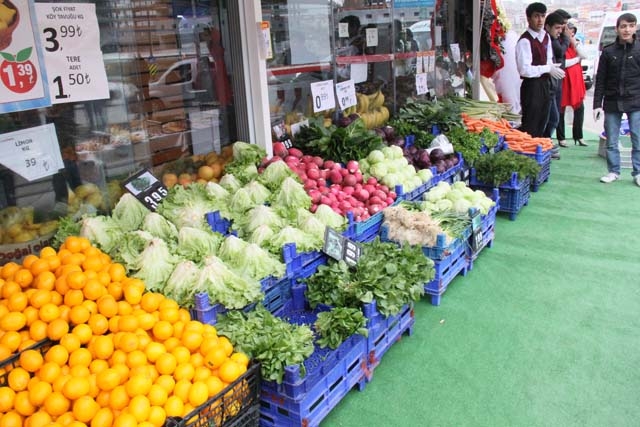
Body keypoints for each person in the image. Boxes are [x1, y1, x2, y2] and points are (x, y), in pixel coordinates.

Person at [593, 12, 640, 185]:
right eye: (623, 26)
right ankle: (613, 171)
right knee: (612, 139)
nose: (627, 29)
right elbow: (601, 79)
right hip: (612, 102)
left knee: (638, 138)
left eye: (630, 25)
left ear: (635, 27)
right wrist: (597, 104)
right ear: (617, 29)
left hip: (636, 101)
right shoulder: (608, 51)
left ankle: (638, 172)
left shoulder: (639, 49)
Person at [515, 3, 565, 139]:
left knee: (544, 121)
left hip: (545, 84)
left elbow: (548, 58)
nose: (540, 20)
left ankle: (539, 149)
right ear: (529, 18)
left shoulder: (546, 37)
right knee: (531, 124)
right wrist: (547, 68)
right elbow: (524, 70)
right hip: (531, 87)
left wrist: (552, 67)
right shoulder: (524, 41)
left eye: (543, 16)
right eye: (536, 16)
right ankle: (527, 152)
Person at [558, 21, 588, 147]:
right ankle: (561, 138)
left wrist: (574, 42)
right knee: (561, 109)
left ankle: (578, 136)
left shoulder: (575, 44)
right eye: (569, 30)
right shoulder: (559, 44)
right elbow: (564, 63)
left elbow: (584, 55)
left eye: (573, 30)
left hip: (576, 81)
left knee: (580, 107)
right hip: (565, 80)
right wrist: (576, 60)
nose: (571, 32)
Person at [547, 9, 571, 146]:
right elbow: (560, 51)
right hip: (549, 81)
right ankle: (547, 141)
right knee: (553, 117)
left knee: (555, 115)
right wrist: (567, 38)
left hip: (557, 79)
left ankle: (548, 141)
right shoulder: (552, 39)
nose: (562, 30)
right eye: (560, 27)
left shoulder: (557, 37)